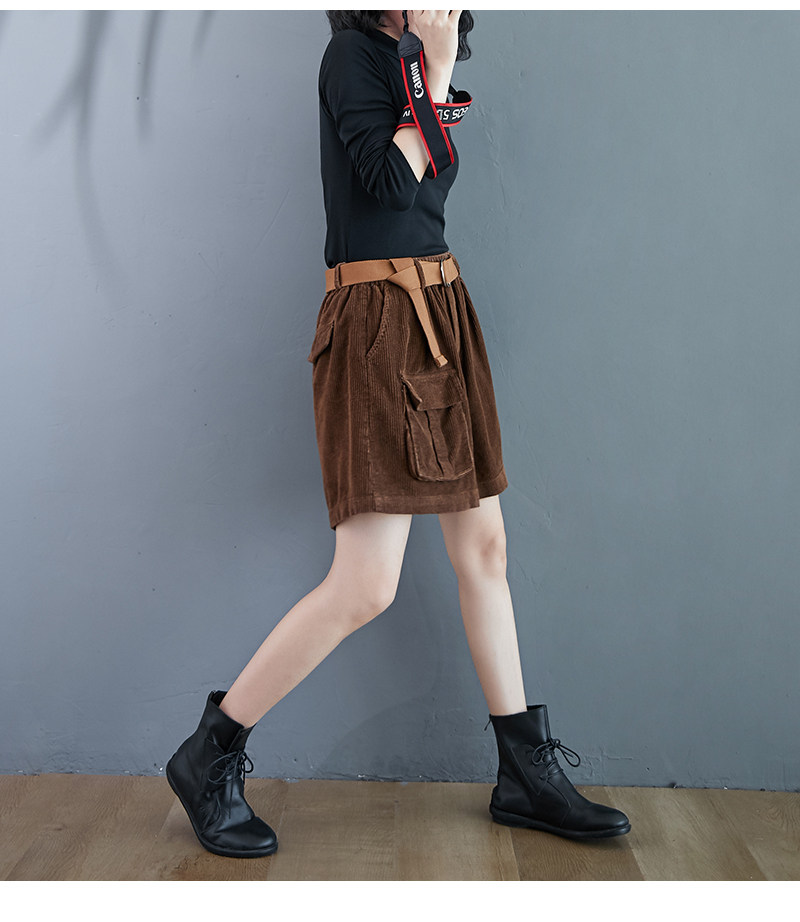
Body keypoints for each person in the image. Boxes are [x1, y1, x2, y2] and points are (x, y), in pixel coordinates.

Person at [166, 9, 630, 860]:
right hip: (377, 321)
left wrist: (435, 70)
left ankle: (524, 774)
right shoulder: (353, 56)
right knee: (366, 585)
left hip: (440, 309)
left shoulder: (415, 61)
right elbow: (385, 185)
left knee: (485, 549)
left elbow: (423, 194)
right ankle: (210, 753)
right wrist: (438, 72)